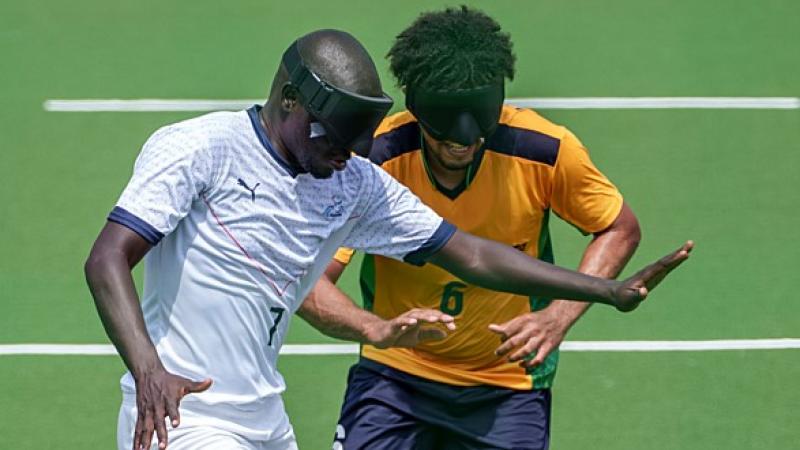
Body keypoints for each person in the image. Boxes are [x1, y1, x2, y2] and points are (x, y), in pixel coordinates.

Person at [85, 28, 690, 450]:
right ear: (289, 100)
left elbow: (473, 253)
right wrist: (148, 371)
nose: (343, 156)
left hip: (265, 418)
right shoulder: (200, 148)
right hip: (184, 415)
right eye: (331, 139)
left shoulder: (352, 182)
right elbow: (108, 257)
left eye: (354, 144)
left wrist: (601, 291)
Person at [297, 7, 674, 450]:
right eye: (445, 136)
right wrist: (374, 329)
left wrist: (557, 317)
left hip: (507, 381)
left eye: (476, 135)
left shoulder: (544, 152)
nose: (462, 145)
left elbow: (618, 228)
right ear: (418, 109)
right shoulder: (373, 162)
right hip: (396, 374)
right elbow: (309, 280)